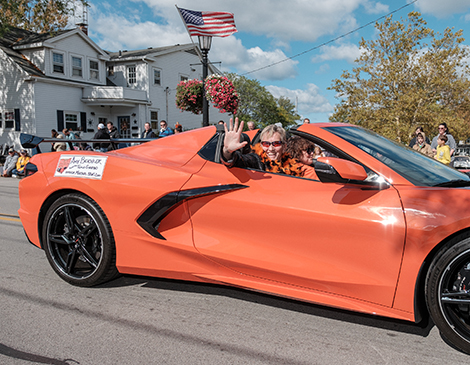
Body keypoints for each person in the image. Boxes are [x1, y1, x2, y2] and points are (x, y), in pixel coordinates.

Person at [221, 118, 302, 176]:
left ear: (284, 146)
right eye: (266, 144)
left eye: (276, 143)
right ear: (261, 145)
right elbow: (238, 160)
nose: (271, 149)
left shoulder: (292, 164)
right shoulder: (256, 161)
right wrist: (227, 151)